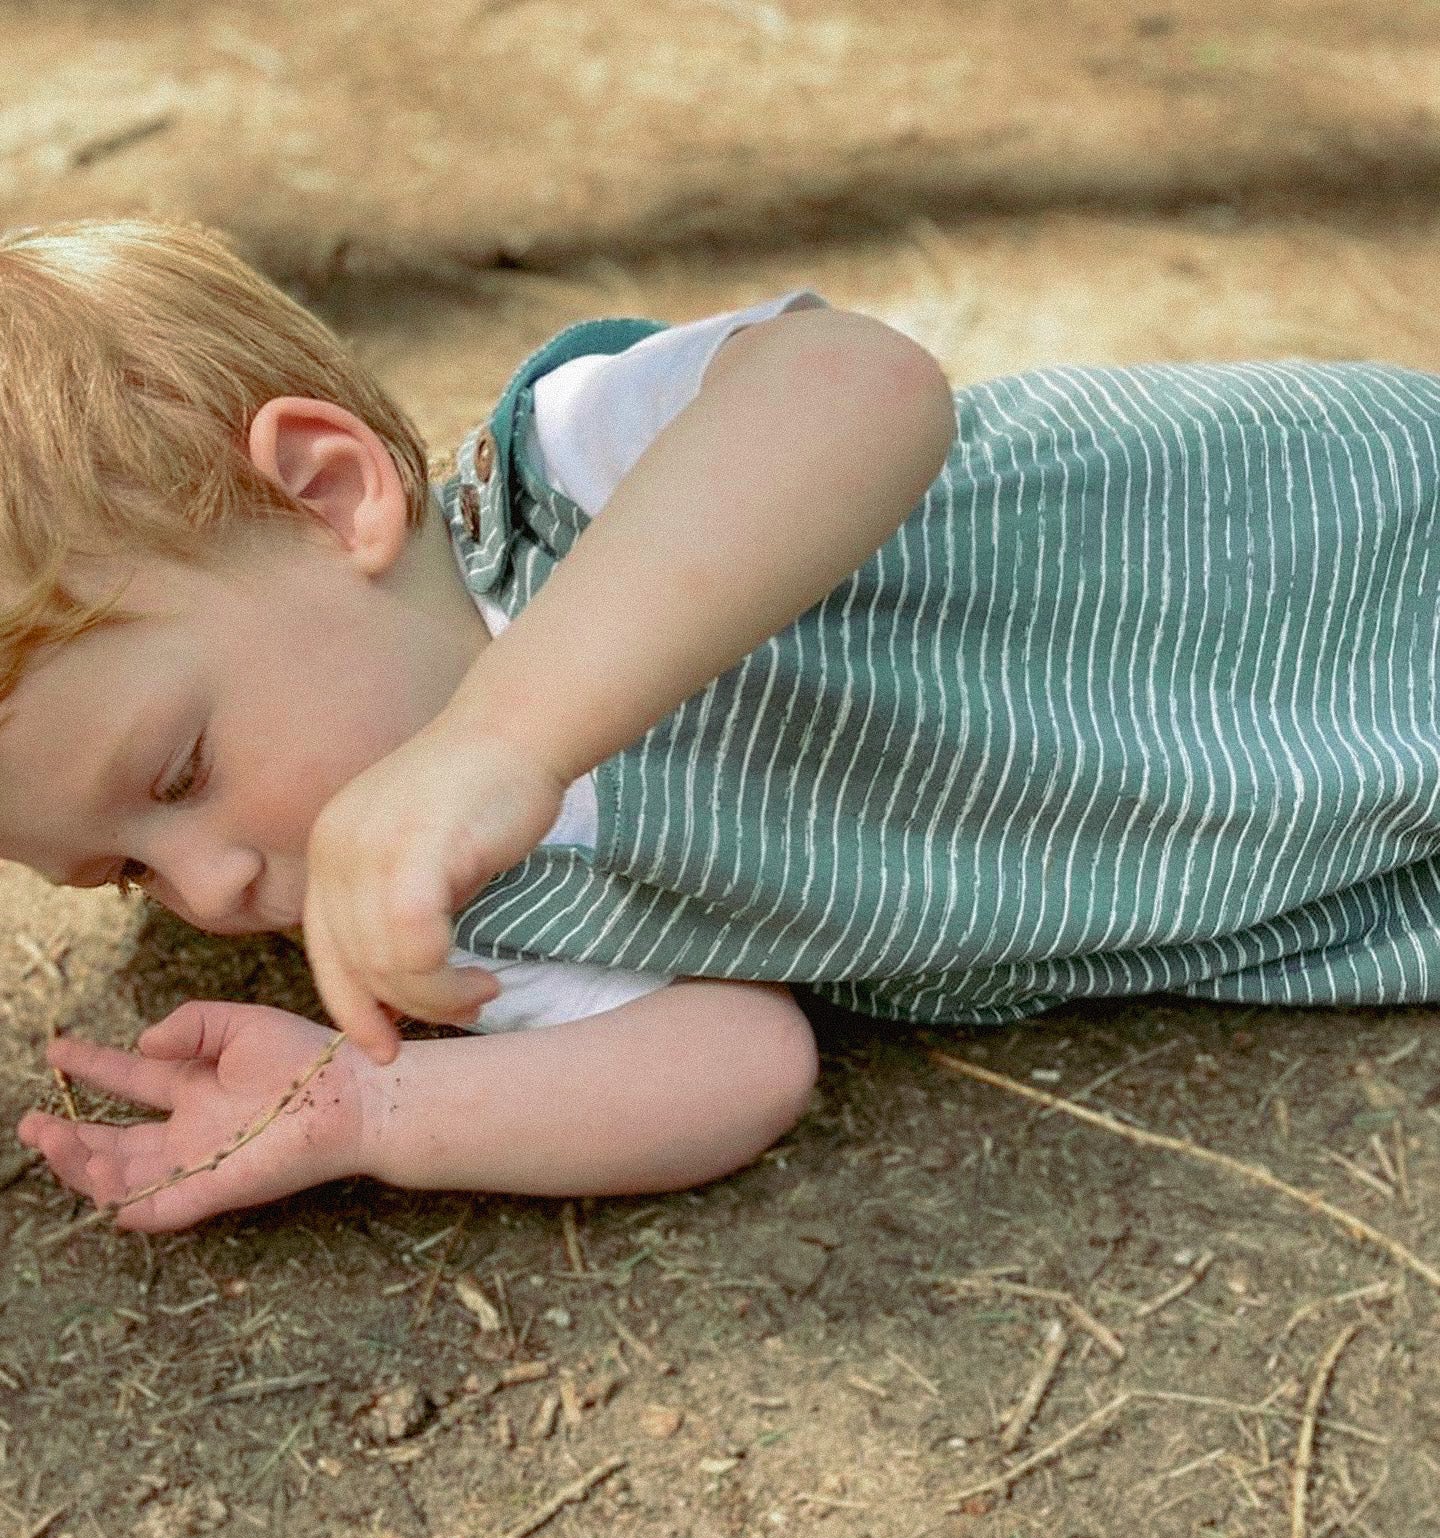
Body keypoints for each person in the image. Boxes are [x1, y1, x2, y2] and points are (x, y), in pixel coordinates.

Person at [7, 220, 1440, 1233]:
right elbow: (736, 1062)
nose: (209, 889)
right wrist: (369, 1116)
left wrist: (501, 736)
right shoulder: (463, 925)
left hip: (1339, 571)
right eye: (124, 872)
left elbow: (858, 387)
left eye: (179, 771)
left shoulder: (568, 480)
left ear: (329, 499)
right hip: (1339, 860)